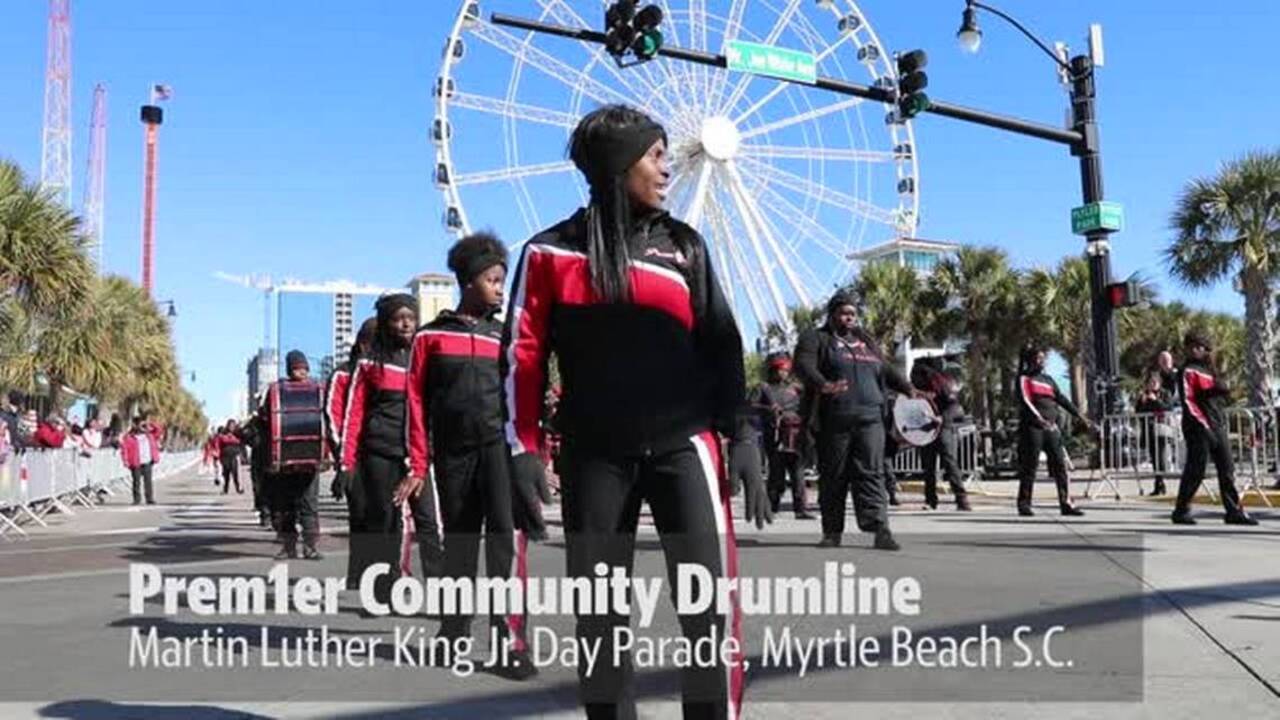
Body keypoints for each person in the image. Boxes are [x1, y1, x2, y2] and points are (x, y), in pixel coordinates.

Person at [503, 104, 770, 719]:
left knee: (707, 606)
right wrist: (524, 450)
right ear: (618, 165)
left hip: (686, 445)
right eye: (654, 156)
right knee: (599, 614)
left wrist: (743, 433)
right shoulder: (548, 254)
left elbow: (723, 344)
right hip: (596, 452)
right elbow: (521, 355)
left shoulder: (685, 247)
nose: (667, 167)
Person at [403, 232, 537, 677]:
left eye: (503, 280)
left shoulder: (507, 338)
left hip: (499, 452)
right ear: (468, 281)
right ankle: (453, 632)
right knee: (460, 547)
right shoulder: (431, 337)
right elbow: (416, 404)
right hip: (453, 458)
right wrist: (419, 463)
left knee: (506, 544)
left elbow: (525, 396)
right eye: (493, 280)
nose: (501, 288)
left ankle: (511, 643)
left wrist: (537, 453)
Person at [795, 292, 912, 551]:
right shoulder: (817, 338)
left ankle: (880, 529)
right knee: (834, 476)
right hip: (834, 419)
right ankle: (832, 532)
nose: (849, 318)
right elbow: (803, 364)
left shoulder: (865, 341)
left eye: (853, 314)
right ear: (832, 314)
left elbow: (885, 369)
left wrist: (909, 389)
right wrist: (823, 385)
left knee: (872, 473)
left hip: (871, 418)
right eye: (844, 313)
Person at [342, 296, 442, 596]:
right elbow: (353, 415)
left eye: (411, 317)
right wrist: (346, 464)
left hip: (418, 458)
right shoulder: (368, 363)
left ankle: (442, 593)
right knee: (383, 526)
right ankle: (383, 593)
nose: (406, 323)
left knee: (429, 524)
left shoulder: (425, 360)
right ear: (386, 322)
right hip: (379, 456)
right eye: (398, 318)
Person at [1172, 332, 1258, 525]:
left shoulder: (1211, 371)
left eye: (1199, 346)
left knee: (1227, 468)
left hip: (1217, 425)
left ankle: (1233, 511)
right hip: (1198, 427)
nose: (1195, 350)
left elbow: (1220, 399)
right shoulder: (1187, 371)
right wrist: (1204, 425)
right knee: (1196, 469)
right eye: (1192, 346)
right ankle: (1181, 509)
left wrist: (1223, 391)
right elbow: (1189, 401)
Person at [326, 317, 377, 589]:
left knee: (384, 518)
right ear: (361, 343)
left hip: (383, 456)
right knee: (359, 516)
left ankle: (384, 575)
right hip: (353, 458)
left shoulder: (384, 370)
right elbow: (333, 416)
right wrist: (342, 454)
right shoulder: (343, 373)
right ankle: (358, 574)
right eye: (372, 342)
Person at [1014, 346, 1093, 517]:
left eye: (1043, 358)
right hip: (1033, 428)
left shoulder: (1048, 380)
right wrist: (1039, 419)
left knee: (1060, 466)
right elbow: (1025, 400)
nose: (1041, 361)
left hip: (1052, 428)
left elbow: (1061, 399)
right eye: (1038, 358)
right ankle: (1024, 504)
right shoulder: (1024, 378)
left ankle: (1066, 504)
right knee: (1030, 467)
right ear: (1030, 360)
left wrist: (1079, 415)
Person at [261, 351, 324, 559]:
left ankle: (310, 546)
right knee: (285, 506)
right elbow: (267, 420)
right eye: (297, 368)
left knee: (309, 505)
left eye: (304, 368)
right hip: (284, 460)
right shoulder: (277, 390)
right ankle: (288, 547)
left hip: (310, 458)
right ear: (289, 369)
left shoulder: (317, 389)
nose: (302, 371)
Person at [752, 352, 813, 519]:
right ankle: (772, 507)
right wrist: (768, 410)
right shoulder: (763, 388)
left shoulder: (795, 388)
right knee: (776, 475)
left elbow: (809, 402)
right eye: (780, 369)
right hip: (775, 436)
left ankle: (801, 509)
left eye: (786, 370)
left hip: (795, 435)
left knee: (798, 474)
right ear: (773, 370)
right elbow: (750, 406)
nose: (783, 373)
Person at [911, 357, 972, 511]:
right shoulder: (917, 386)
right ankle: (930, 500)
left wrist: (941, 419)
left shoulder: (942, 382)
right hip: (925, 428)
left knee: (950, 463)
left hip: (943, 427)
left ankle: (961, 498)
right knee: (928, 467)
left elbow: (953, 406)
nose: (916, 376)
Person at [1135, 367, 1176, 497]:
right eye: (1150, 382)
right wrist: (1142, 402)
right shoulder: (1144, 395)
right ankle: (1158, 484)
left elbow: (1167, 408)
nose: (1152, 385)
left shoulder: (1165, 393)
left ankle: (1160, 482)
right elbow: (1139, 412)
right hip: (1149, 430)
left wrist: (1155, 400)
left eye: (1154, 382)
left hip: (1162, 430)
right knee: (1154, 457)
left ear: (1159, 383)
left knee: (1161, 456)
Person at [119, 416, 160, 505]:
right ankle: (136, 499)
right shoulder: (129, 437)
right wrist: (125, 461)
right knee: (136, 482)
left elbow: (158, 430)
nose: (141, 428)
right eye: (139, 425)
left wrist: (149, 423)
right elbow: (124, 449)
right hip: (135, 462)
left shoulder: (149, 435)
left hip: (147, 461)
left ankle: (149, 498)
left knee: (148, 481)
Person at [216, 420, 244, 494]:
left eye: (232, 425)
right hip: (225, 457)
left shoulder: (237, 433)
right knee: (226, 474)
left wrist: (231, 438)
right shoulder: (223, 434)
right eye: (230, 425)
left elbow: (239, 442)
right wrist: (219, 457)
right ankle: (225, 489)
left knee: (236, 474)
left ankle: (239, 488)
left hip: (235, 456)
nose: (231, 427)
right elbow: (221, 442)